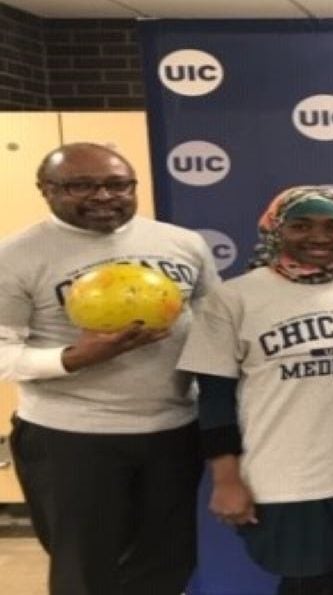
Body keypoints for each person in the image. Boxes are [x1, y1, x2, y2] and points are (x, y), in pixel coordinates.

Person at [0, 142, 220, 594]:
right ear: (46, 190)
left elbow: (214, 326)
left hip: (173, 429)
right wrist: (77, 358)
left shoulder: (182, 243)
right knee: (86, 572)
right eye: (81, 185)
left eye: (117, 184)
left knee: (167, 564)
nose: (103, 196)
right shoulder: (15, 256)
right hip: (71, 438)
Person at [176, 186, 333, 595]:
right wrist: (226, 479)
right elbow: (215, 398)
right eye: (301, 225)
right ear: (275, 229)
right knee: (311, 579)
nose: (319, 237)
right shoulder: (235, 297)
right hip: (286, 474)